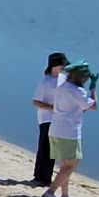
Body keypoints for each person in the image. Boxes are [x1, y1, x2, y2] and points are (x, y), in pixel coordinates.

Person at [40, 62, 96, 197]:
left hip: (55, 130)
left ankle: (65, 195)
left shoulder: (62, 87)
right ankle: (50, 192)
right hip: (69, 133)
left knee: (65, 164)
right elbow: (93, 106)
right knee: (71, 165)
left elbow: (79, 108)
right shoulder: (78, 91)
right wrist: (93, 88)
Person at [30, 52, 69, 187]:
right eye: (62, 65)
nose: (64, 68)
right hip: (46, 118)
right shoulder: (45, 82)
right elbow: (36, 102)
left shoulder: (64, 79)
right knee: (44, 147)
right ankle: (39, 176)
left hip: (59, 119)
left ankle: (47, 177)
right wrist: (53, 108)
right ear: (54, 65)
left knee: (53, 149)